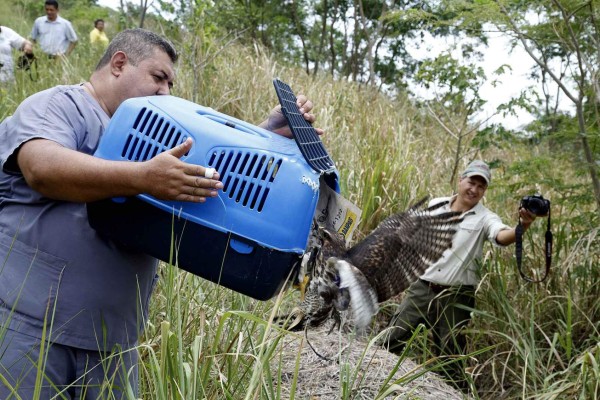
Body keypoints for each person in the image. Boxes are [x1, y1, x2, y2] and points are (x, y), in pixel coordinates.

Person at [0, 28, 321, 398]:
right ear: (119, 63)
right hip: (31, 329)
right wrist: (142, 178)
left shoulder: (155, 130)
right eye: (159, 77)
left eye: (171, 83)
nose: (166, 91)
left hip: (113, 343)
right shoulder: (60, 105)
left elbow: (208, 170)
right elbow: (41, 167)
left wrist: (267, 134)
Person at [381, 160, 538, 387]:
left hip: (456, 297)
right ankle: (380, 384)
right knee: (393, 338)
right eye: (471, 182)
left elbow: (502, 236)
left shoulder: (486, 217)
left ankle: (455, 393)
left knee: (451, 357)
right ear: (460, 180)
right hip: (422, 287)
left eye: (481, 187)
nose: (474, 190)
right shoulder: (437, 204)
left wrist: (523, 226)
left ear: (485, 191)